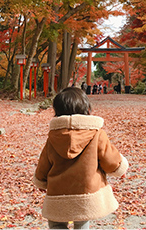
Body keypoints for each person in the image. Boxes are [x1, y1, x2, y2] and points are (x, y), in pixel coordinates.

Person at [33, 87, 129, 229]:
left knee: (56, 223)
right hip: (86, 190)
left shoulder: (54, 136)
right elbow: (110, 159)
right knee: (82, 220)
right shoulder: (96, 133)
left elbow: (44, 162)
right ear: (86, 108)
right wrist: (119, 168)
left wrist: (41, 181)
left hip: (58, 191)